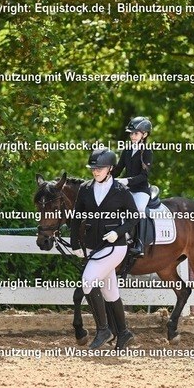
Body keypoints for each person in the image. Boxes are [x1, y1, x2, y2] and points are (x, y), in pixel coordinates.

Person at [71, 148, 139, 350]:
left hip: (115, 247)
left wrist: (118, 232)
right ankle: (124, 333)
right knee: (110, 292)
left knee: (87, 281)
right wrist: (75, 244)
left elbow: (134, 217)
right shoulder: (85, 188)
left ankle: (104, 330)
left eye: (99, 168)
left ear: (110, 168)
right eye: (93, 168)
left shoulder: (120, 190)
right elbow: (76, 217)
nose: (95, 171)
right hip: (93, 246)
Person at [112, 116, 153, 257]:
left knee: (139, 209)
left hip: (141, 190)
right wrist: (105, 177)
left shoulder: (147, 152)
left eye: (136, 133)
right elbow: (118, 169)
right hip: (127, 189)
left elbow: (144, 176)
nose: (132, 136)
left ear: (144, 135)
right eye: (131, 133)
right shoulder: (127, 150)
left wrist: (127, 181)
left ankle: (139, 244)